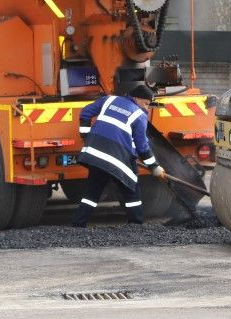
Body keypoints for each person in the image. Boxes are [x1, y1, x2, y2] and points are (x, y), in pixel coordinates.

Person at [71, 84, 165, 227]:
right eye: (146, 103)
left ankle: (78, 224)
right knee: (131, 190)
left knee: (92, 191)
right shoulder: (139, 116)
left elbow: (85, 113)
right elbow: (142, 146)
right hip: (118, 158)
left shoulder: (109, 100)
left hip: (95, 154)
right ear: (137, 98)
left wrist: (85, 135)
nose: (146, 108)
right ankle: (136, 224)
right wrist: (154, 166)